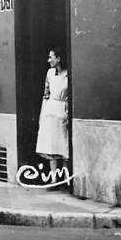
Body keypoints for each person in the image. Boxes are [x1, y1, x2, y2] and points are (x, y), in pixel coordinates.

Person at [36, 49, 70, 186]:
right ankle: (54, 178)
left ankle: (67, 178)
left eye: (51, 57)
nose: (48, 60)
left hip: (63, 110)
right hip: (50, 110)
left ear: (59, 58)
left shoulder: (68, 74)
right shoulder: (50, 73)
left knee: (63, 143)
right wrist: (42, 113)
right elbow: (46, 93)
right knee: (50, 144)